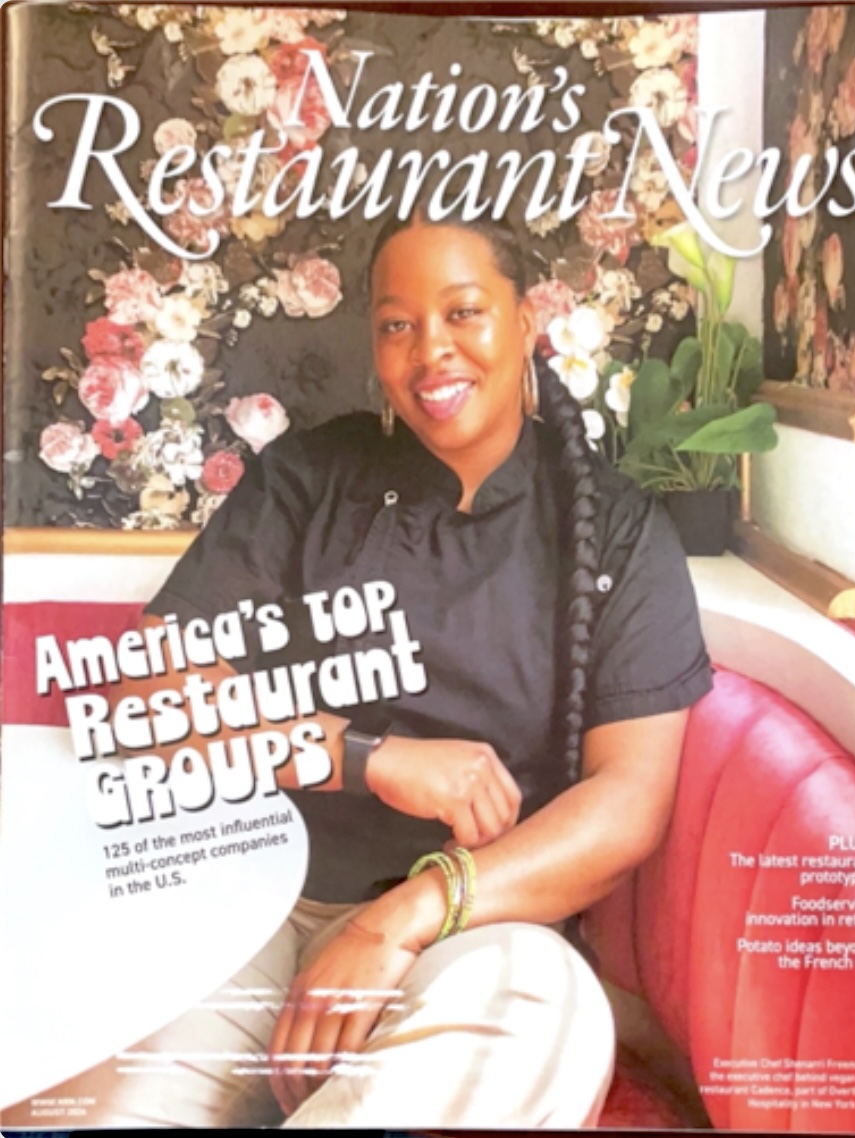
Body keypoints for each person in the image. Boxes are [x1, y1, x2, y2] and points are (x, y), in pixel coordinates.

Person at [27, 214, 714, 1129]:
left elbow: (629, 802)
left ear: (526, 322)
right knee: (98, 1089)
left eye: (464, 312)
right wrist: (366, 756)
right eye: (398, 324)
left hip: (474, 932)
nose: (432, 351)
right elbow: (149, 702)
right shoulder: (310, 478)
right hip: (247, 907)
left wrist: (403, 919)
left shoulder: (621, 530)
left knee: (543, 1010)